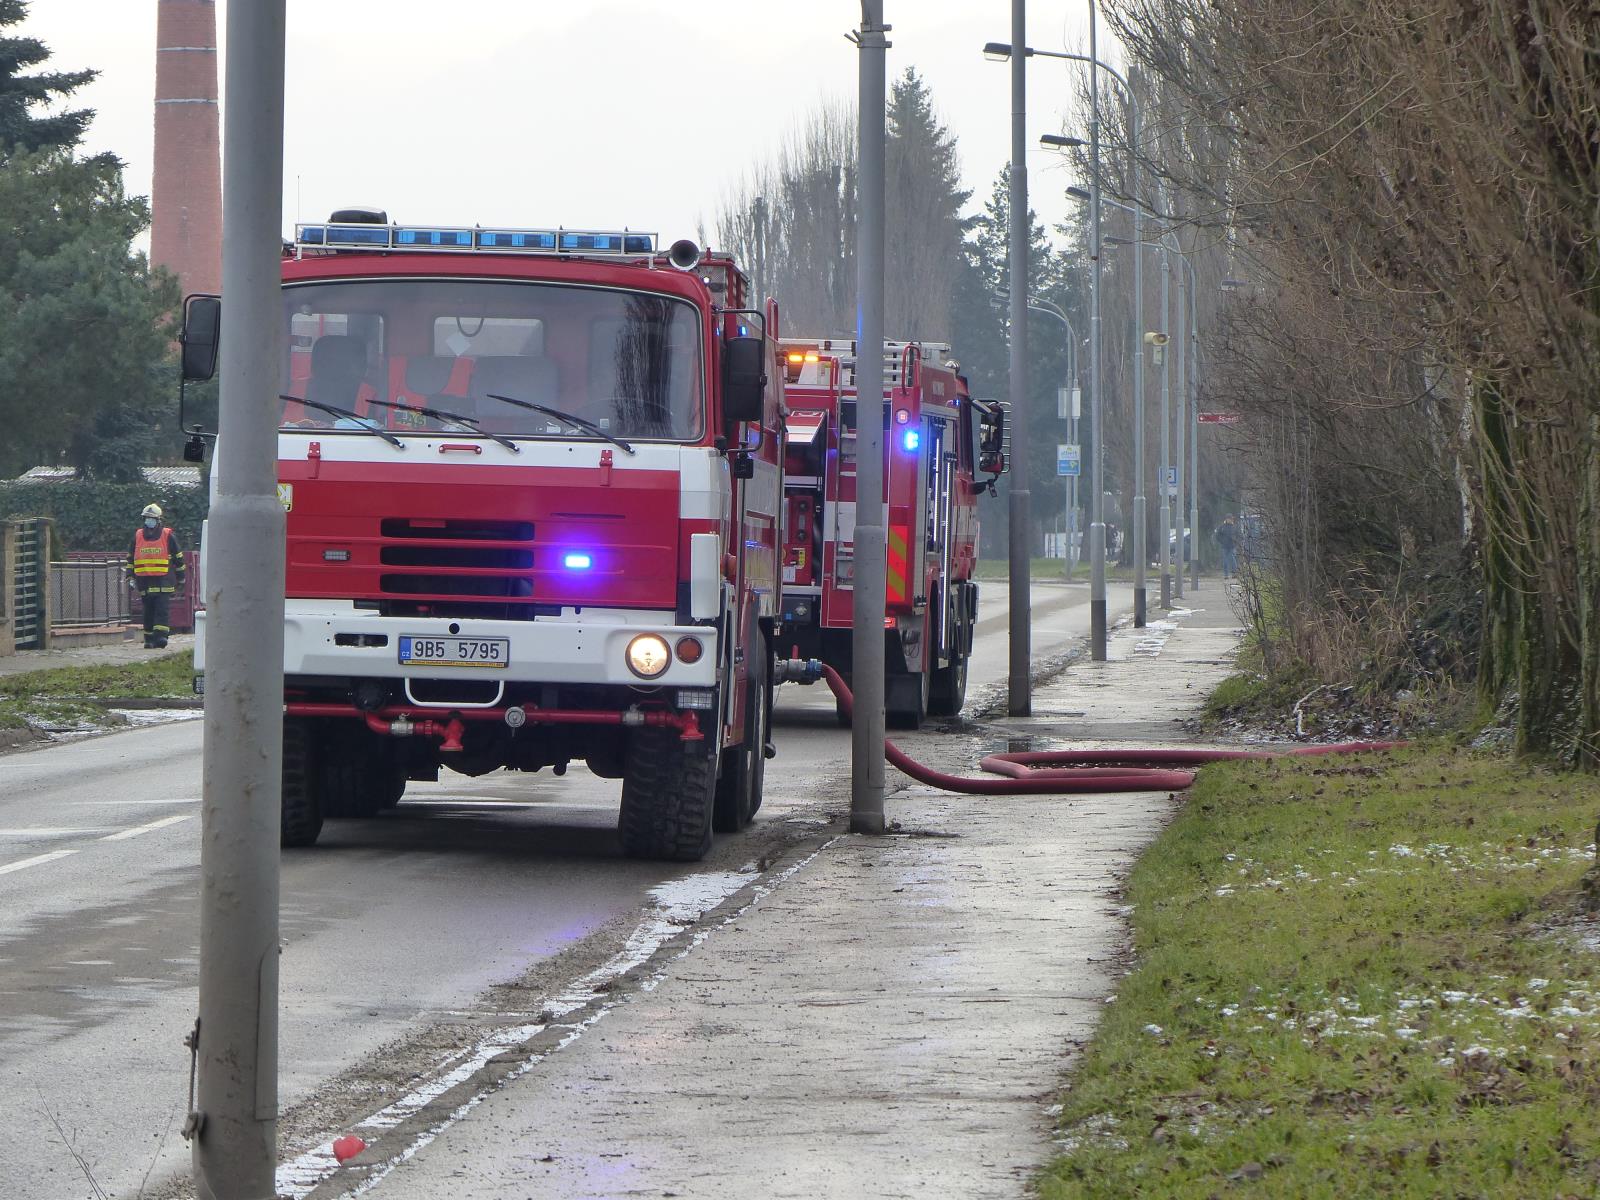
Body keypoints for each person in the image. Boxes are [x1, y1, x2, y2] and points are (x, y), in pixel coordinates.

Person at [128, 503, 186, 649]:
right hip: (144, 580)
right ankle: (149, 639)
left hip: (163, 580)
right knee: (148, 610)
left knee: (161, 609)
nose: (149, 520)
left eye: (152, 518)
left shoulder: (168, 535)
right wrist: (130, 576)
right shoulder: (138, 536)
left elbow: (178, 558)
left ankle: (160, 637)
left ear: (158, 519)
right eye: (147, 518)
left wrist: (181, 577)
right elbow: (130, 559)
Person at [1214, 513, 1239, 579]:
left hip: (1232, 546)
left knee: (1233, 559)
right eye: (1229, 519)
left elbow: (1238, 535)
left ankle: (1234, 573)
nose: (1231, 520)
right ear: (1227, 519)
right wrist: (1222, 541)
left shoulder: (1234, 526)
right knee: (1225, 561)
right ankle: (1226, 574)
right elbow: (1217, 535)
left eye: (1231, 519)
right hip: (1224, 546)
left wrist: (1236, 541)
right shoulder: (1222, 527)